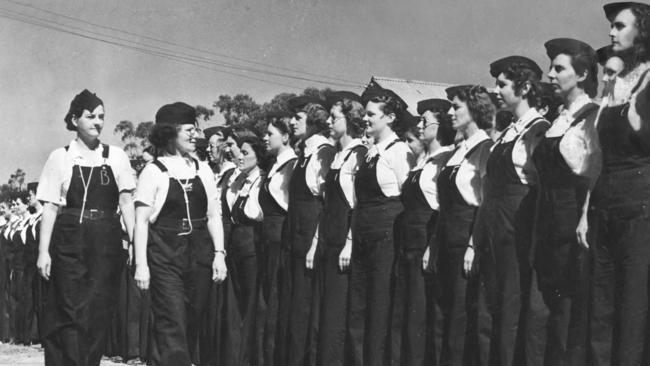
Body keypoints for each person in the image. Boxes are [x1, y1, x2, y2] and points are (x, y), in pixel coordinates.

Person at [35, 89, 136, 365]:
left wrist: (138, 245)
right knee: (70, 311)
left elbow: (127, 203)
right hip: (70, 240)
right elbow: (51, 207)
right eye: (91, 116)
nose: (98, 122)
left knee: (99, 311)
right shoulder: (61, 157)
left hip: (106, 242)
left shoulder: (116, 157)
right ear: (75, 119)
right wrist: (44, 252)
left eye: (102, 116)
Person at [132, 102, 227, 366]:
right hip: (164, 253)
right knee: (171, 321)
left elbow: (213, 216)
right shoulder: (153, 172)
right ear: (170, 132)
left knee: (191, 323)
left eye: (195, 129)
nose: (195, 135)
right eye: (188, 130)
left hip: (199, 253)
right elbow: (141, 223)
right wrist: (141, 265)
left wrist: (219, 254)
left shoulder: (203, 169)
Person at [474, 57, 550, 366]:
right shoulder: (507, 132)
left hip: (516, 231)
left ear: (526, 87)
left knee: (511, 314)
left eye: (503, 84)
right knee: (487, 313)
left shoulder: (538, 131)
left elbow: (544, 190)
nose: (495, 90)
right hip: (494, 232)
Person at [532, 38, 601, 366]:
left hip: (572, 228)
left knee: (568, 317)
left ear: (583, 74)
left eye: (559, 68)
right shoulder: (557, 119)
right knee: (542, 316)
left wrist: (584, 218)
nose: (549, 74)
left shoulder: (592, 118)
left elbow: (594, 177)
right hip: (544, 225)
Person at [589, 3, 650, 365]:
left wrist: (638, 122)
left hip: (640, 202)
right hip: (604, 200)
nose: (611, 33)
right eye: (611, 27)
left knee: (631, 307)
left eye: (619, 26)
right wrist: (584, 213)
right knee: (600, 309)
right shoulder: (614, 82)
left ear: (641, 30)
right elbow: (596, 155)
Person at [423, 86, 495, 366]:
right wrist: (433, 245)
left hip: (466, 239)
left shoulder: (484, 149)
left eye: (456, 107)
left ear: (475, 109)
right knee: (440, 315)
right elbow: (442, 205)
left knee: (459, 318)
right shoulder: (455, 152)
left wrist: (472, 246)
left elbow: (486, 202)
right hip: (444, 240)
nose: (450, 112)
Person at [349, 88, 414, 365]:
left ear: (390, 117)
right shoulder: (368, 153)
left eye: (371, 114)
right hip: (363, 234)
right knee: (358, 308)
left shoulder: (400, 151)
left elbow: (409, 196)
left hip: (386, 237)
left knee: (380, 308)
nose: (365, 119)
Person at [389, 98, 455, 366]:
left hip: (425, 246)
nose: (420, 125)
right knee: (402, 315)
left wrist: (432, 247)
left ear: (439, 126)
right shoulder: (421, 161)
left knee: (420, 317)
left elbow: (443, 210)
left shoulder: (445, 160)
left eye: (425, 120)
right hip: (407, 246)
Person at [316, 92, 367, 366]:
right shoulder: (337, 156)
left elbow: (358, 204)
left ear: (350, 120)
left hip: (344, 245)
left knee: (339, 315)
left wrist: (349, 241)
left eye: (334, 117)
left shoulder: (358, 155)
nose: (328, 121)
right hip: (329, 240)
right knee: (327, 313)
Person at [284, 97, 336, 366]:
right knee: (295, 306)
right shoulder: (303, 153)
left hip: (310, 240)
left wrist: (316, 243)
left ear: (314, 122)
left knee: (307, 308)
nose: (292, 122)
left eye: (298, 117)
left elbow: (327, 203)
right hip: (295, 237)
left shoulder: (323, 152)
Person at [258, 117, 297, 366]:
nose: (265, 137)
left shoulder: (292, 165)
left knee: (276, 301)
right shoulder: (274, 165)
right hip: (267, 239)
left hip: (281, 238)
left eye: (269, 133)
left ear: (285, 137)